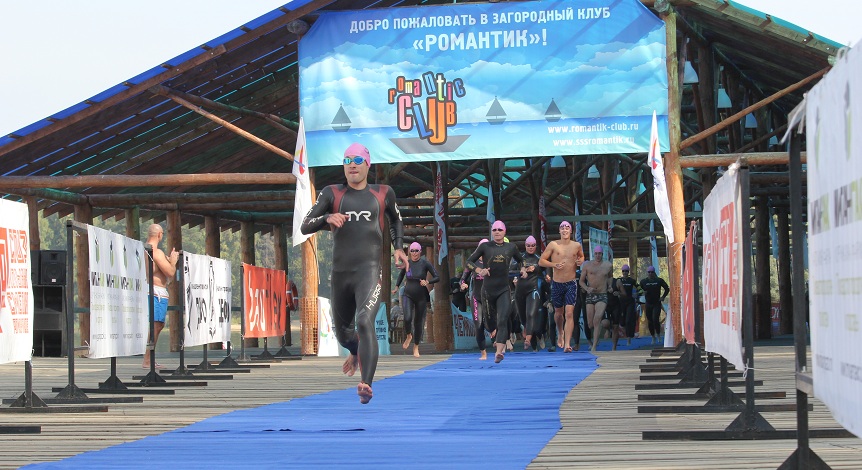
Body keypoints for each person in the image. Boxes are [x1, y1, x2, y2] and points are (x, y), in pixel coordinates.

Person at [301, 142, 407, 404]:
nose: (352, 165)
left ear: (367, 164)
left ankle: (366, 384)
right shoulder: (332, 193)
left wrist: (398, 248)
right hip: (340, 273)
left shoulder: (383, 193)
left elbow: (395, 220)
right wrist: (327, 218)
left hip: (369, 271)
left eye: (358, 160)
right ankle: (357, 352)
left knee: (363, 321)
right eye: (347, 160)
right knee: (344, 335)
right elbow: (305, 225)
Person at [466, 221, 524, 363]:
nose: (497, 232)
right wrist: (479, 270)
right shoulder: (485, 247)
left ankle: (499, 352)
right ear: (492, 232)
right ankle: (493, 334)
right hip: (487, 291)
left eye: (499, 229)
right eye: (494, 230)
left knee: (503, 319)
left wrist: (523, 269)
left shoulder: (511, 247)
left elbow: (521, 260)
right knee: (489, 323)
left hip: (503, 289)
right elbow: (469, 261)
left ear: (504, 232)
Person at [538, 221, 585, 352]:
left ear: (571, 231)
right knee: (559, 314)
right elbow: (541, 261)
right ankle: (560, 333)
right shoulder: (553, 244)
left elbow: (581, 257)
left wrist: (580, 261)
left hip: (571, 283)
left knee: (569, 313)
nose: (564, 230)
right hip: (557, 283)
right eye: (562, 228)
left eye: (567, 228)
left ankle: (567, 344)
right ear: (559, 231)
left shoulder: (576, 245)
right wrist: (554, 265)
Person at [395, 242, 440, 358]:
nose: (414, 253)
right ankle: (409, 335)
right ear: (409, 252)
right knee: (407, 317)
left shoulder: (425, 263)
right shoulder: (407, 263)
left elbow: (437, 276)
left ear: (420, 251)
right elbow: (401, 275)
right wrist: (396, 287)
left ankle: (416, 346)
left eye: (416, 250)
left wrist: (428, 282)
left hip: (421, 296)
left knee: (418, 322)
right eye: (412, 250)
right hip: (408, 294)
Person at [143, 223, 178, 370]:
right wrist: (173, 261)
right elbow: (170, 272)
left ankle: (148, 358)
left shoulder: (143, 249)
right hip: (156, 292)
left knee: (157, 325)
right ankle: (147, 360)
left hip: (152, 290)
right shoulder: (155, 252)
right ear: (159, 235)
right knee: (156, 326)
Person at [461, 238, 492, 360]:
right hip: (476, 297)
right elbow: (463, 278)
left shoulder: (492, 262)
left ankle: (496, 335)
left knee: (490, 323)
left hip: (490, 297)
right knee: (478, 324)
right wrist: (463, 284)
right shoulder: (472, 263)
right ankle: (483, 352)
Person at [513, 236, 544, 351]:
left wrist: (536, 270)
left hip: (533, 290)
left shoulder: (538, 259)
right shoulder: (519, 258)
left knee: (531, 314)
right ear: (525, 246)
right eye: (528, 246)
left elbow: (544, 271)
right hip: (520, 292)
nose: (530, 248)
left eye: (533, 246)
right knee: (524, 319)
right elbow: (511, 270)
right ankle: (535, 338)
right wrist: (521, 272)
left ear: (535, 246)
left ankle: (528, 341)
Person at [580, 245, 613, 353]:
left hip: (602, 295)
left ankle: (594, 346)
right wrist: (586, 288)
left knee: (597, 319)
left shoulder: (608, 265)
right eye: (596, 254)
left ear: (602, 254)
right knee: (590, 324)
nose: (598, 255)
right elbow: (581, 281)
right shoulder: (587, 265)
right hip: (591, 295)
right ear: (593, 254)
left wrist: (609, 286)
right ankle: (600, 332)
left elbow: (610, 277)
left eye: (600, 254)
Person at [640, 266, 669, 344]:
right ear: (647, 273)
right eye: (649, 272)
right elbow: (638, 290)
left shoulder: (659, 280)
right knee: (650, 321)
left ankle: (658, 335)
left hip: (656, 303)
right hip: (648, 303)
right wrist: (642, 293)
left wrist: (663, 297)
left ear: (654, 273)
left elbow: (667, 288)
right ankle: (653, 337)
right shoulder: (643, 281)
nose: (650, 274)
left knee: (655, 319)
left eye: (652, 272)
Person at [617, 264, 639, 345]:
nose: (625, 272)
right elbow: (614, 289)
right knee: (622, 322)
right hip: (621, 303)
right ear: (622, 272)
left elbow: (639, 288)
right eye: (623, 271)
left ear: (628, 272)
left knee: (628, 320)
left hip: (630, 302)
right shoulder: (619, 280)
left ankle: (629, 338)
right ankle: (628, 334)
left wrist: (637, 294)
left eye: (626, 271)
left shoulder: (632, 281)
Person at [606, 270, 626, 351]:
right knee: (605, 323)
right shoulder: (601, 282)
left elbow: (624, 294)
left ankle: (614, 346)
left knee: (615, 326)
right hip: (605, 305)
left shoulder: (617, 281)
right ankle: (607, 329)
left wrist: (619, 293)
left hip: (615, 306)